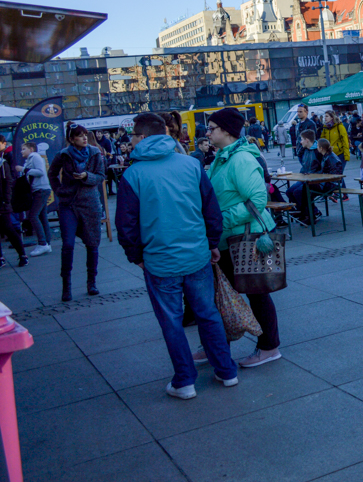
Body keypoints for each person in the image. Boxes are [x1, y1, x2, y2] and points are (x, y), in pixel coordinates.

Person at [116, 113, 238, 400]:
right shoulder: (191, 164)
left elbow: (126, 224)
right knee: (208, 314)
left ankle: (185, 380)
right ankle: (226, 370)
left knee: (171, 321)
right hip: (196, 254)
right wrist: (211, 243)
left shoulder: (132, 175)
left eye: (133, 135)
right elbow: (211, 210)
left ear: (143, 137)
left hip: (159, 260)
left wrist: (136, 256)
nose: (131, 140)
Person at [204, 107, 282, 368]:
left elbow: (258, 199)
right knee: (224, 294)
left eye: (212, 128)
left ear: (226, 130)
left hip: (246, 237)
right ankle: (215, 344)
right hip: (231, 238)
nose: (207, 132)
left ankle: (269, 347)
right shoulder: (222, 157)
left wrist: (220, 220)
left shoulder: (240, 159)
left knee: (257, 293)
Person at [48, 122, 105, 301]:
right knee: (68, 244)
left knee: (92, 243)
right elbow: (52, 173)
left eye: (85, 135)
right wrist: (58, 190)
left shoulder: (95, 153)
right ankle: (66, 286)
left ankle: (92, 282)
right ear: (72, 139)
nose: (84, 138)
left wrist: (87, 176)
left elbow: (101, 176)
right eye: (80, 136)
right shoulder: (63, 155)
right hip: (69, 204)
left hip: (90, 203)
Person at [17, 141, 52, 258]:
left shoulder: (35, 157)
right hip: (40, 189)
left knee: (33, 215)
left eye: (23, 149)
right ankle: (47, 242)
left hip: (40, 189)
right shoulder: (32, 158)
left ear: (31, 149)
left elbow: (41, 172)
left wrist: (24, 169)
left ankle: (43, 243)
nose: (21, 151)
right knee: (42, 216)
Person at [0, 137, 27, 269]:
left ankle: (22, 255)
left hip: (2, 202)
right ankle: (1, 258)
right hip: (3, 201)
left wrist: (6, 200)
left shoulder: (3, 163)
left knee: (8, 228)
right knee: (7, 228)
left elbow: (8, 182)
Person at [287, 130, 320, 222]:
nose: (300, 142)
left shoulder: (318, 151)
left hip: (314, 179)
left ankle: (311, 212)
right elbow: (304, 164)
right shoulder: (305, 150)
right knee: (289, 192)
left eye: (301, 139)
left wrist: (312, 175)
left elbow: (322, 168)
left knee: (298, 192)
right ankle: (303, 211)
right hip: (305, 177)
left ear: (307, 140)